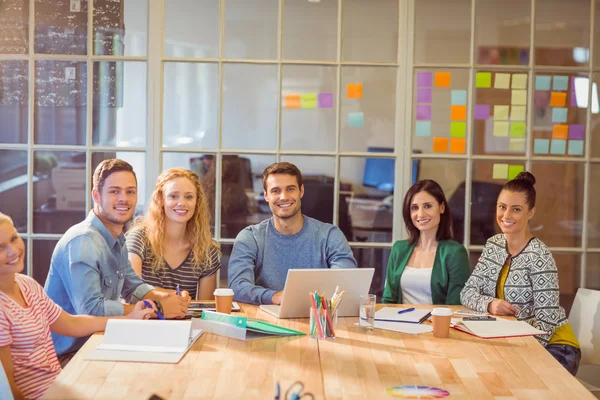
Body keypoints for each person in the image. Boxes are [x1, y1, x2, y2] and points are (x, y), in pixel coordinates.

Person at [44, 159, 191, 361]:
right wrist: (158, 309)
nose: (124, 199)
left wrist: (169, 298)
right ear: (96, 195)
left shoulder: (116, 237)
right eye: (114, 191)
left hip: (100, 341)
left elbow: (133, 287)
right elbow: (91, 310)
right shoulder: (84, 242)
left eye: (130, 191)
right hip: (66, 357)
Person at [0, 213, 156, 400]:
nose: (13, 251)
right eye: (1, 247)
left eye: (14, 238)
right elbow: (7, 389)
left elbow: (72, 323)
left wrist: (128, 319)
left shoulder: (27, 285)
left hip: (61, 386)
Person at [460, 172, 581, 375]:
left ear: (530, 213)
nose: (506, 215)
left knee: (514, 379)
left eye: (516, 209)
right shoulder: (493, 245)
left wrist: (518, 354)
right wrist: (490, 304)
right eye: (502, 207)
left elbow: (547, 320)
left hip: (555, 345)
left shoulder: (539, 256)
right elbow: (467, 293)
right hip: (510, 340)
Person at [228, 162, 357, 305]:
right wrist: (275, 297)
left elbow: (345, 280)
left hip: (315, 320)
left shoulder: (329, 235)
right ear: (266, 195)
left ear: (301, 191)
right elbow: (237, 287)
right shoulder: (250, 237)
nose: (284, 197)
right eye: (275, 191)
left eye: (290, 189)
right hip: (265, 323)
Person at [126, 168, 221, 300]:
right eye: (173, 196)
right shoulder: (139, 238)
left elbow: (205, 309)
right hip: (145, 320)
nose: (182, 203)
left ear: (197, 202)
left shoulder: (207, 249)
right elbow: (131, 293)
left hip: (186, 320)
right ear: (161, 200)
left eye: (189, 197)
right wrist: (172, 296)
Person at [382, 180, 469, 305]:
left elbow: (454, 306)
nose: (420, 214)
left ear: (442, 207)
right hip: (400, 322)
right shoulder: (399, 249)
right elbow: (388, 300)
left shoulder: (455, 252)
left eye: (427, 206)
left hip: (436, 323)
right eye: (414, 208)